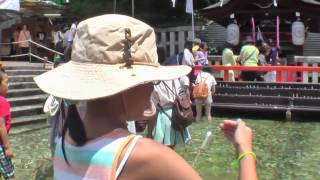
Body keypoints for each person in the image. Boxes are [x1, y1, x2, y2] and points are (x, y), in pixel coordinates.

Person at [34, 14, 257, 180]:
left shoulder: (64, 142)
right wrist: (244, 150)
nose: (153, 88)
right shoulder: (145, 156)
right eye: (150, 80)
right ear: (127, 85)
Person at [151, 76, 192, 148]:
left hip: (164, 115)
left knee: (163, 147)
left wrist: (149, 131)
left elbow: (153, 106)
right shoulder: (175, 79)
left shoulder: (155, 82)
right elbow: (181, 95)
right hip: (177, 112)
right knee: (172, 146)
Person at [0, 68, 15, 179]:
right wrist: (7, 147)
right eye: (6, 82)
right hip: (1, 146)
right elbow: (1, 125)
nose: (8, 85)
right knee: (10, 176)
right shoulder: (2, 101)